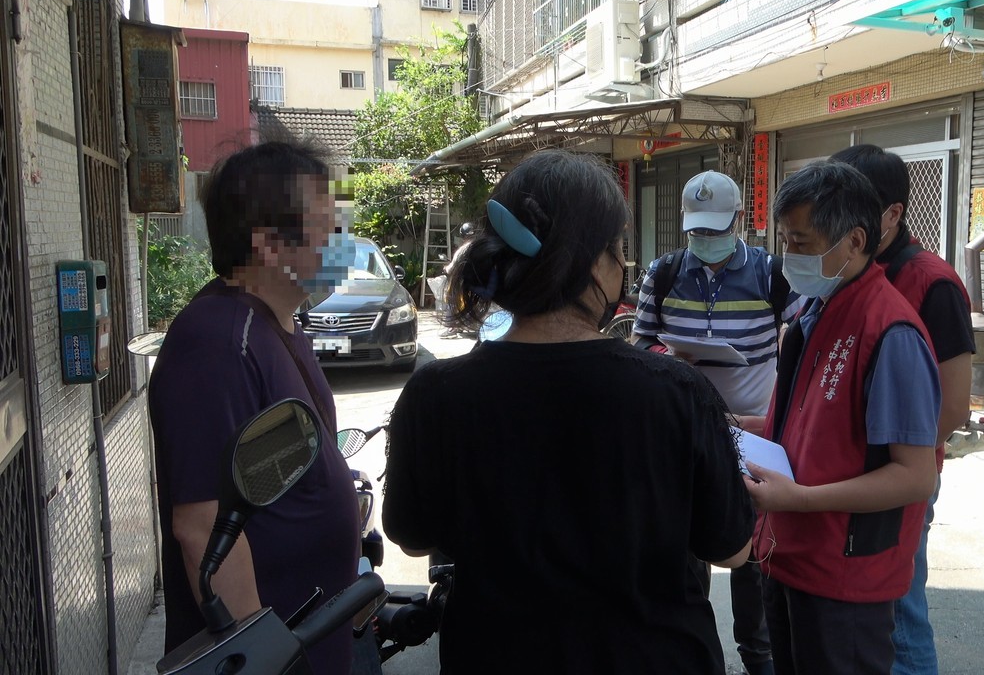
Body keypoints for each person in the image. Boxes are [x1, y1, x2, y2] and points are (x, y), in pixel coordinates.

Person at [381, 149, 754, 674]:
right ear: (594, 261)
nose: (621, 264)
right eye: (618, 248)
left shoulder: (434, 394)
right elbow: (732, 550)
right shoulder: (675, 391)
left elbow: (412, 536)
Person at [148, 141, 362, 674]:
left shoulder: (274, 324)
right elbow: (202, 526)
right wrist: (264, 662)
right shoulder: (217, 341)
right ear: (268, 244)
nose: (344, 243)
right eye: (328, 228)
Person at [743, 160, 940, 675]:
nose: (789, 256)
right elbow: (811, 430)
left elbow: (915, 475)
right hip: (789, 553)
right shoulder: (816, 309)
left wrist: (801, 500)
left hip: (844, 576)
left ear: (854, 241)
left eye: (802, 243)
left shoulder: (889, 331)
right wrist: (739, 427)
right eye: (784, 240)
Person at [632, 170, 802, 675]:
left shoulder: (772, 274)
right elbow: (640, 342)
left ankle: (758, 657)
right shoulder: (663, 273)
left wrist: (774, 417)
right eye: (698, 230)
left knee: (751, 553)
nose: (706, 239)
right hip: (683, 433)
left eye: (716, 229)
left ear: (739, 220)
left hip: (751, 435)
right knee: (686, 549)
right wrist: (668, 358)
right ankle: (693, 654)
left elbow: (802, 339)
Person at [830, 144, 975, 675]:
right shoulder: (841, 271)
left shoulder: (931, 284)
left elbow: (952, 407)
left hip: (895, 479)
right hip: (842, 474)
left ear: (891, 214)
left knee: (900, 614)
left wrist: (889, 464)